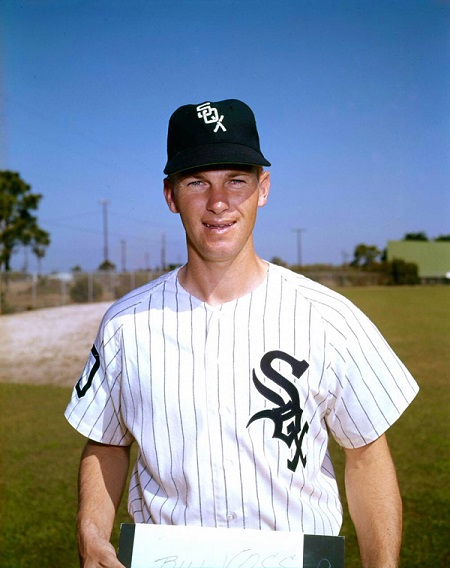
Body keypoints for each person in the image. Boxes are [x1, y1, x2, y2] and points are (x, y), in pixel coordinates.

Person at [65, 98, 419, 568]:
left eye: (236, 180)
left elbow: (367, 457)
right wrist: (91, 535)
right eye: (197, 182)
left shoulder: (329, 317)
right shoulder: (125, 324)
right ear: (170, 195)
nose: (218, 203)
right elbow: (107, 442)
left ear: (263, 188)